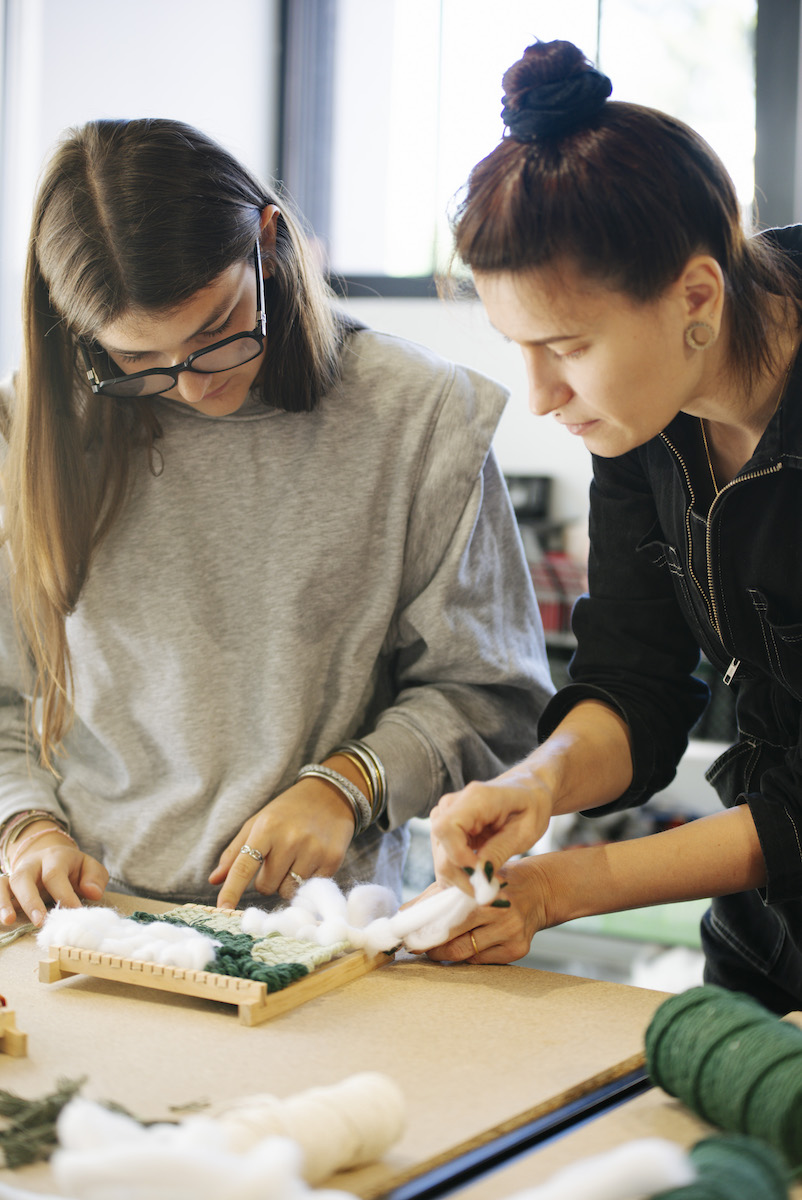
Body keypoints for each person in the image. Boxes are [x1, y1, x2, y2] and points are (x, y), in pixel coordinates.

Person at [0, 117, 552, 929]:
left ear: (269, 240)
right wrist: (26, 826)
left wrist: (349, 784)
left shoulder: (421, 415)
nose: (191, 387)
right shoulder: (30, 431)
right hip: (85, 930)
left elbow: (491, 696)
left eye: (216, 330)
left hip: (320, 939)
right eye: (138, 361)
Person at [426, 38, 802, 1013]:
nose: (541, 396)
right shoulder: (641, 421)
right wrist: (539, 787)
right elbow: (634, 676)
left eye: (567, 347)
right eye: (518, 348)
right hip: (765, 933)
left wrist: (558, 888)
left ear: (694, 297)